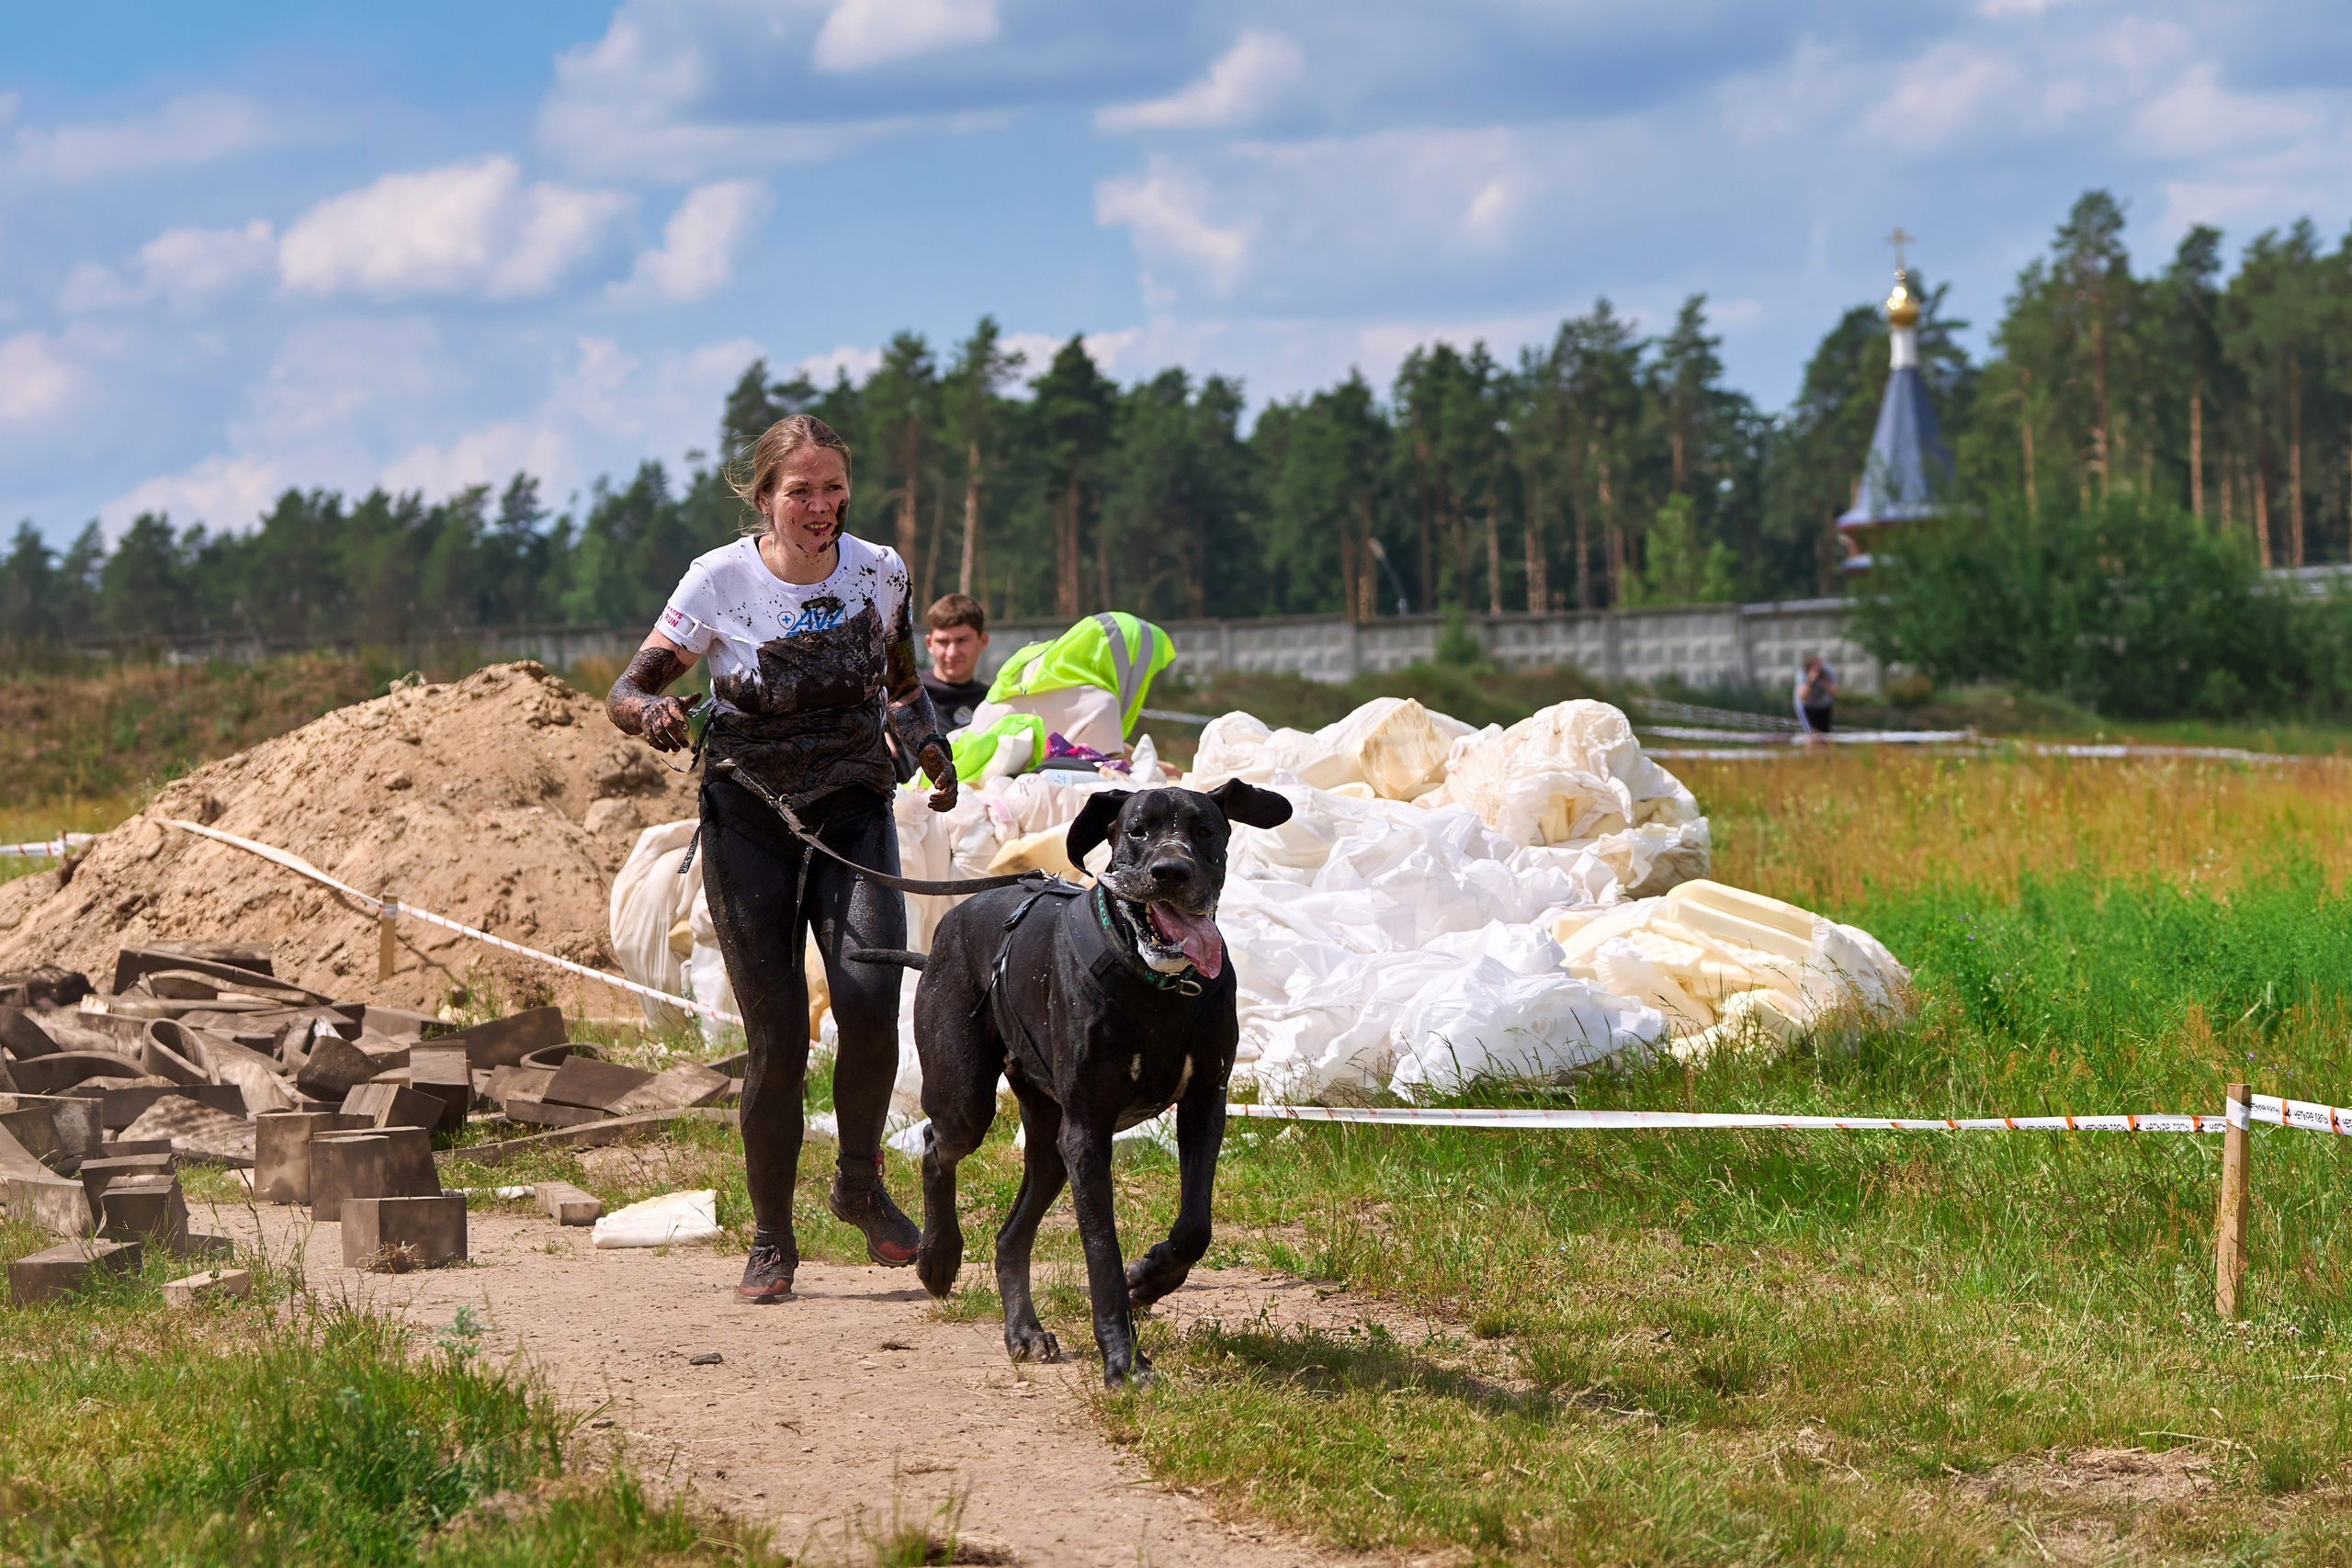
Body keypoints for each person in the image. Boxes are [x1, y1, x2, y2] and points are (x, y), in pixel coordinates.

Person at [605, 414, 958, 1304]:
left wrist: (930, 750)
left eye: (832, 486)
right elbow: (628, 686)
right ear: (764, 498)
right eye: (800, 490)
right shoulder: (718, 580)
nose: (820, 505)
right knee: (776, 1040)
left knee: (873, 999)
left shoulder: (879, 572)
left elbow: (904, 685)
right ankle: (770, 1239)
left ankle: (856, 1180)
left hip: (851, 812)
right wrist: (650, 715)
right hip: (750, 820)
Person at [919, 593, 991, 731]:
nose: (952, 653)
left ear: (982, 641)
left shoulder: (993, 703)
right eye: (943, 642)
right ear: (929, 644)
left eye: (962, 640)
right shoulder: (904, 694)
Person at [1795, 657, 1837, 737]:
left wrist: (1825, 683)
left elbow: (1835, 695)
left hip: (1824, 707)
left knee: (1825, 736)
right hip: (1807, 707)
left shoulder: (1828, 672)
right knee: (1813, 734)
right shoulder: (1802, 674)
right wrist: (1810, 681)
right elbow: (1803, 697)